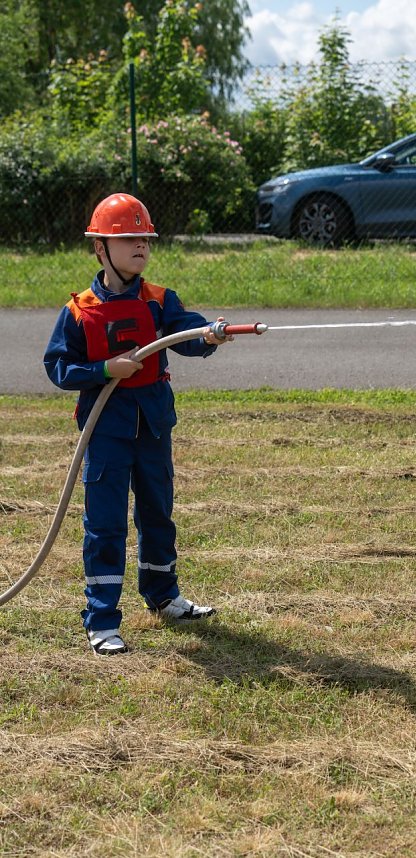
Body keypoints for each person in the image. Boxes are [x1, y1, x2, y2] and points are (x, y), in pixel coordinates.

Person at [44, 192, 232, 656]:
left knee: (157, 513)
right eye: (128, 238)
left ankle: (164, 596)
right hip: (106, 431)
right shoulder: (80, 310)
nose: (141, 246)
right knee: (105, 524)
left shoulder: (159, 301)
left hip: (152, 427)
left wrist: (210, 335)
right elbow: (59, 367)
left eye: (144, 238)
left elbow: (186, 334)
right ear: (101, 248)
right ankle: (102, 620)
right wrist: (106, 369)